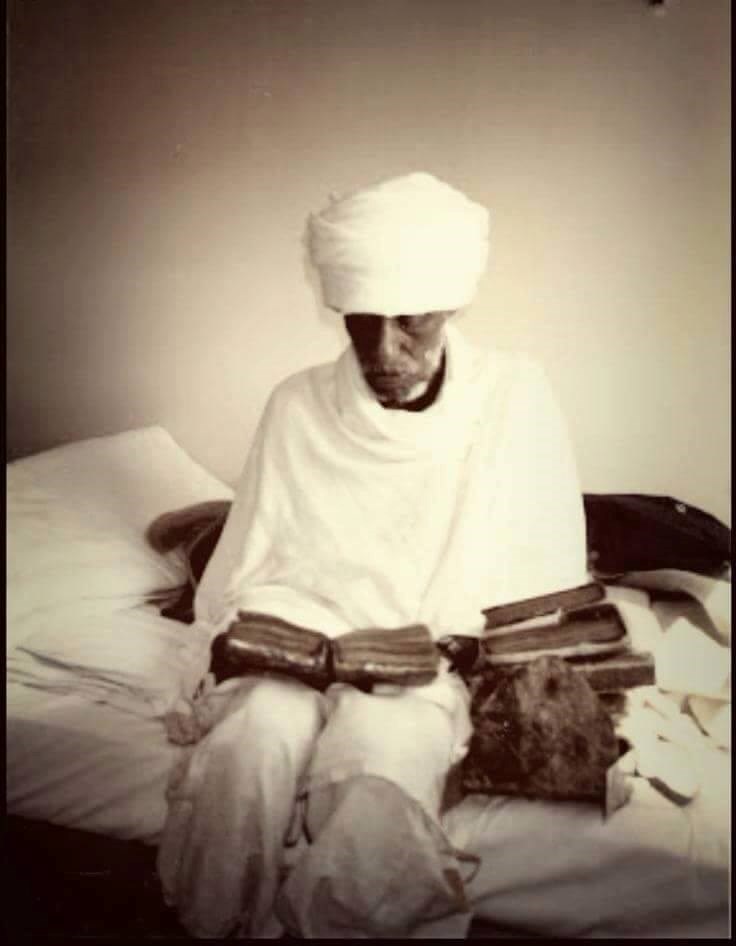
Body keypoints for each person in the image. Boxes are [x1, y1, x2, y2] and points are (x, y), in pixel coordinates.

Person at [157, 172, 589, 938]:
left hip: (425, 659)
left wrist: (453, 650)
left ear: (449, 308)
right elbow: (252, 555)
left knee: (378, 767)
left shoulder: (513, 395)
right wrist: (242, 644)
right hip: (296, 641)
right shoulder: (296, 402)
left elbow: (543, 571)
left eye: (411, 323)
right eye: (362, 323)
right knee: (249, 751)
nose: (384, 352)